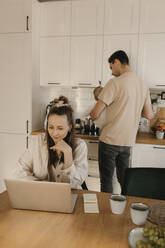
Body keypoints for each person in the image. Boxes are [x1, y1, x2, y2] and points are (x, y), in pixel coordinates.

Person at [90, 50, 153, 193]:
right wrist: (132, 111)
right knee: (124, 179)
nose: (111, 72)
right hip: (127, 142)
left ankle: (106, 213)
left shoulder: (115, 83)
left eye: (111, 67)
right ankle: (124, 210)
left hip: (109, 141)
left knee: (106, 180)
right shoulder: (143, 84)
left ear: (116, 61)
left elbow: (95, 113)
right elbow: (149, 114)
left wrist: (92, 114)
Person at [14, 96, 88, 189]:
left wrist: (68, 153)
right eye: (51, 127)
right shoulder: (37, 141)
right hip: (41, 194)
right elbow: (19, 171)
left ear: (69, 127)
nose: (54, 133)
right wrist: (38, 183)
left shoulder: (79, 146)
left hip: (68, 195)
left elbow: (75, 183)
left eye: (60, 128)